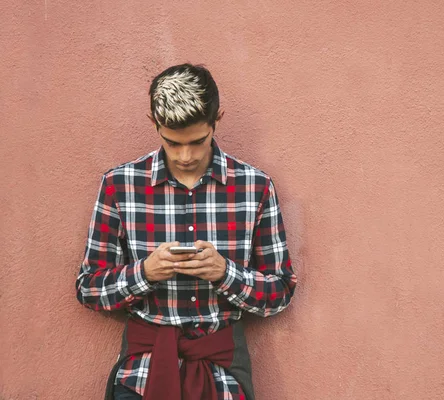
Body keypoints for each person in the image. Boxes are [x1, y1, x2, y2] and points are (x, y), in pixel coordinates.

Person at [75, 63, 297, 400]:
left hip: (222, 375)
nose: (185, 156)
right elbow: (88, 288)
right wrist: (145, 272)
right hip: (141, 376)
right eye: (172, 142)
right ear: (155, 124)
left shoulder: (255, 187)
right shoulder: (119, 185)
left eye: (197, 141)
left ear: (216, 120)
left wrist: (226, 273)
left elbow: (280, 292)